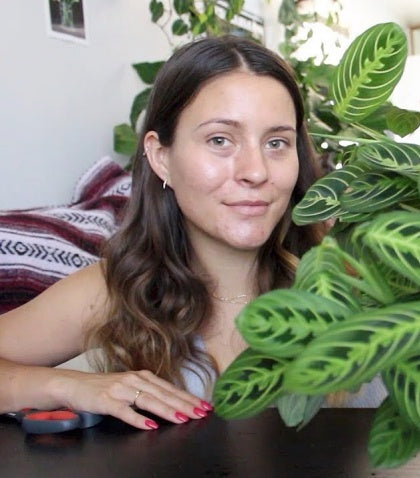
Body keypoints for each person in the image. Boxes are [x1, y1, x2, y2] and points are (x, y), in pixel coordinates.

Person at [0, 35, 325, 430]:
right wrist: (67, 385)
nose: (255, 171)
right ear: (161, 157)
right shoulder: (117, 288)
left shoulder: (344, 282)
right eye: (220, 140)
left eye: (277, 142)